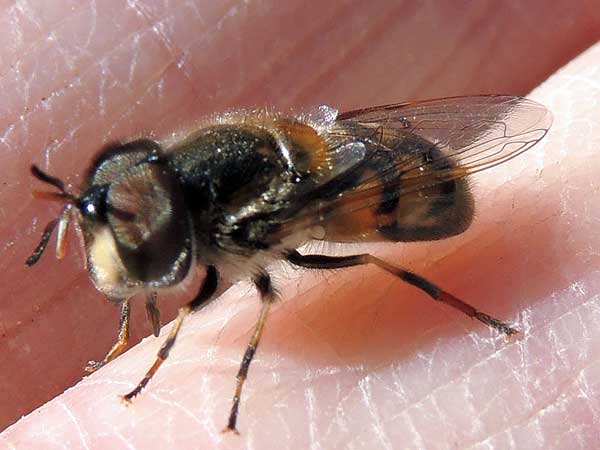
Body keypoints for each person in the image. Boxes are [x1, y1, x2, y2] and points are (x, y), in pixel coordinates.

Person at [1, 1, 599, 448]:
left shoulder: (237, 224)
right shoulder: (182, 180)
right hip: (342, 147)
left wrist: (222, 379)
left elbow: (257, 296)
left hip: (401, 189)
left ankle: (466, 309)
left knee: (359, 259)